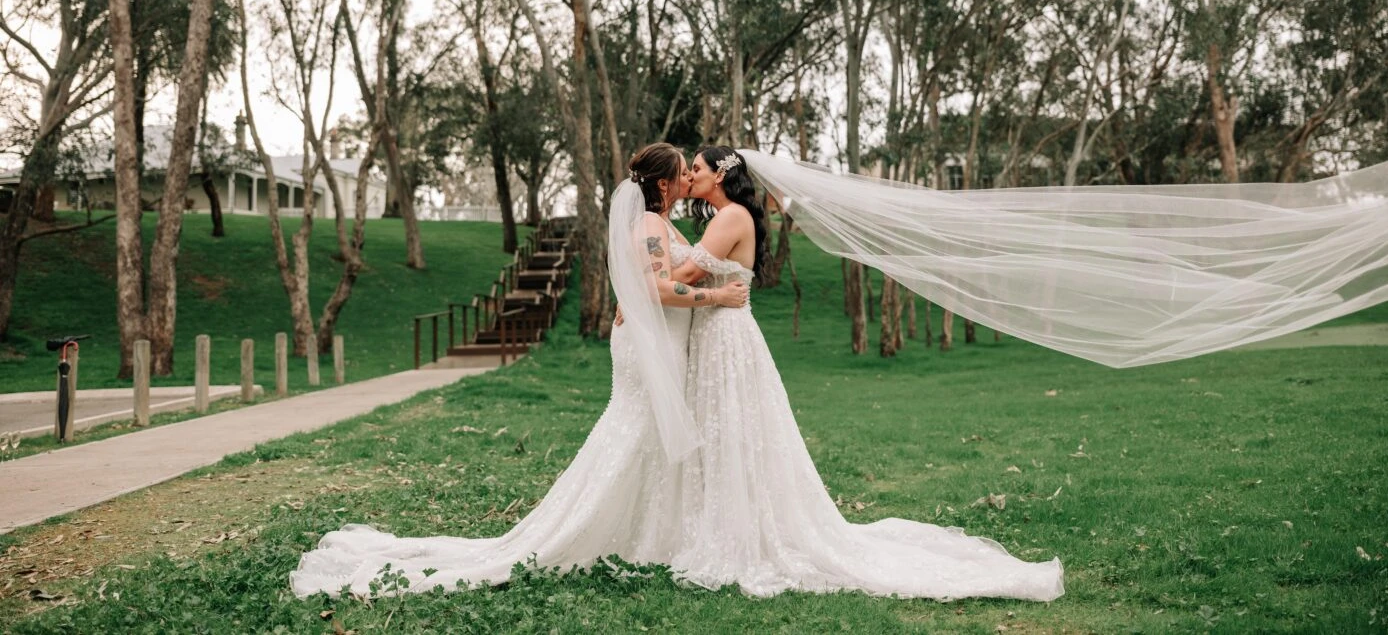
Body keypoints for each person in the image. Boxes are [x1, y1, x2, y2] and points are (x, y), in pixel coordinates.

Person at [288, 143, 748, 597]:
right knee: (637, 430)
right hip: (651, 343)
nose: (690, 176)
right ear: (664, 183)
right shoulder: (649, 222)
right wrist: (715, 297)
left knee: (642, 432)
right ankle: (598, 531)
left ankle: (647, 533)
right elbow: (654, 284)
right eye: (684, 171)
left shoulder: (658, 221)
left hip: (656, 339)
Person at [663, 146, 1064, 601]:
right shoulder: (725, 216)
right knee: (723, 430)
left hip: (726, 337)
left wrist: (643, 279)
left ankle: (740, 533)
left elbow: (692, 271)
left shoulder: (731, 216)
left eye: (696, 168)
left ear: (719, 175)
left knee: (733, 429)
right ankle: (724, 523)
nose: (690, 174)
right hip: (717, 334)